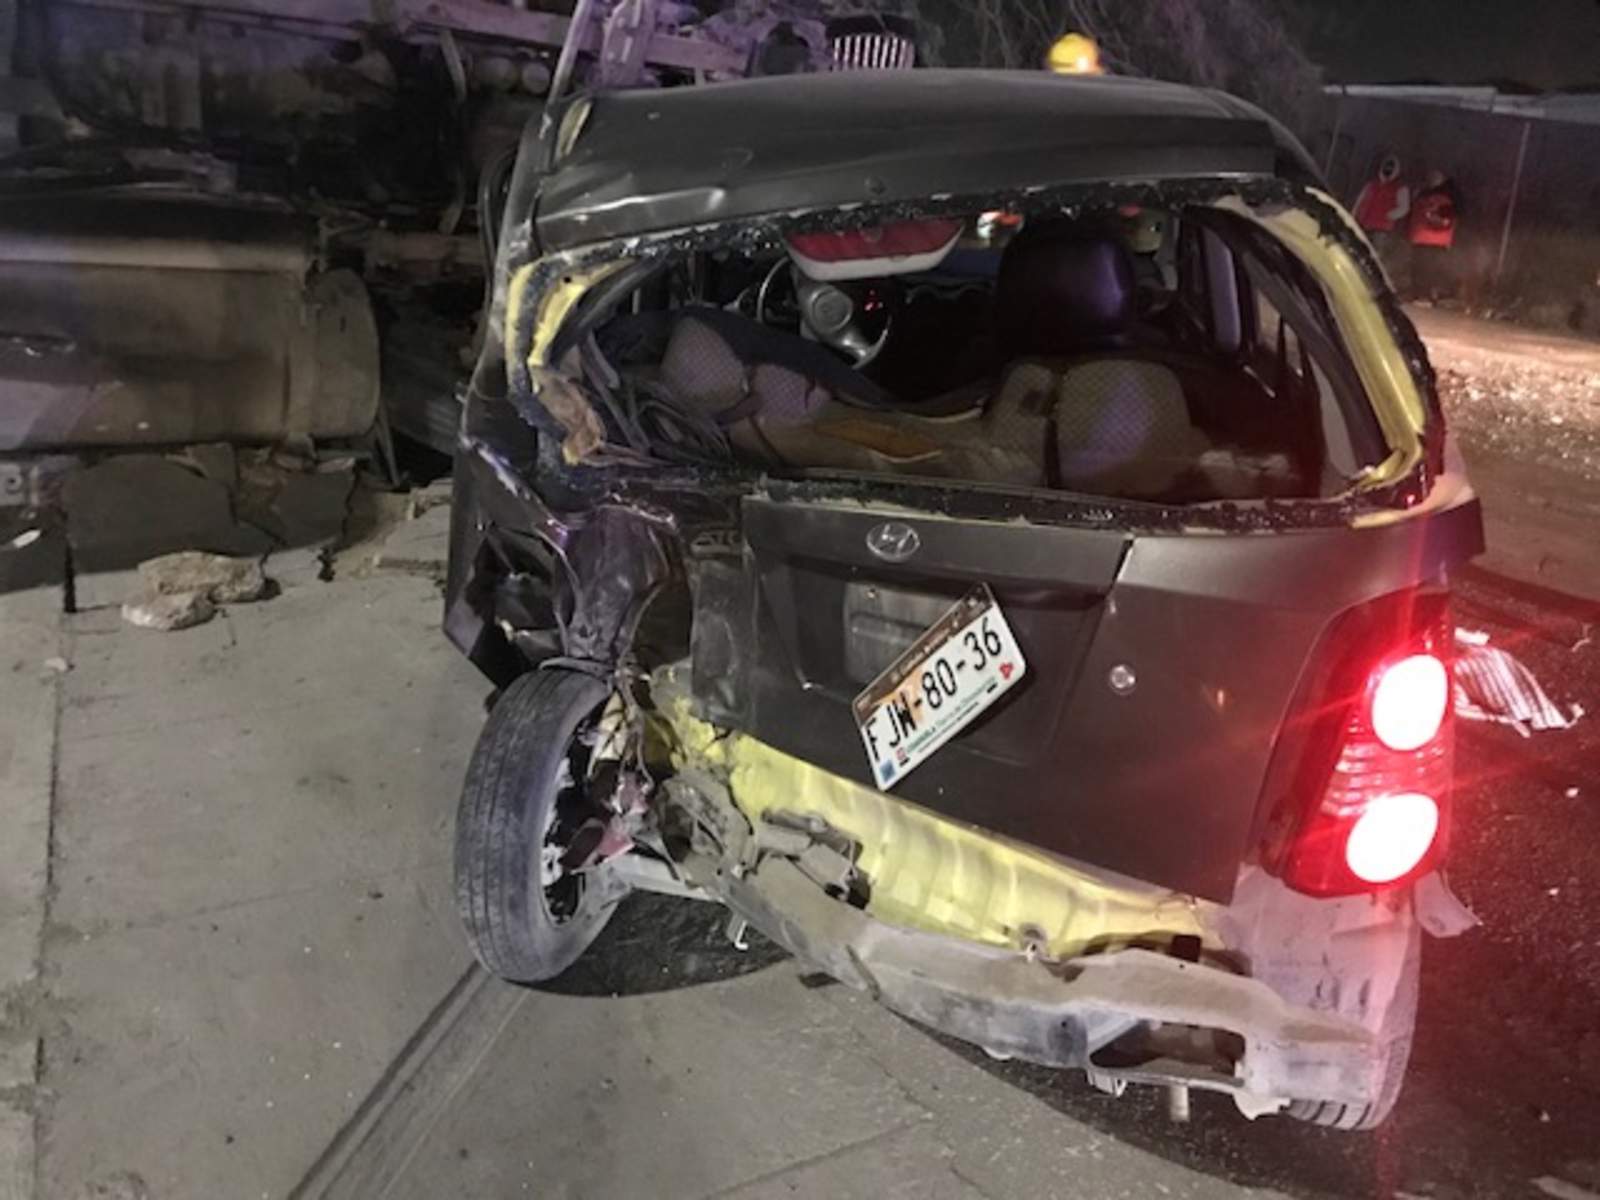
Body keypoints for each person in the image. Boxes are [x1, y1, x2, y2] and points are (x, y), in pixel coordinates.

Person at [1408, 168, 1462, 301]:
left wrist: (1432, 218)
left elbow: (1445, 221)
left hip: (1428, 239)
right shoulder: (1447, 198)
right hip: (1433, 240)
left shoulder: (1429, 198)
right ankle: (1423, 295)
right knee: (1427, 269)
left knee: (1425, 269)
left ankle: (1424, 295)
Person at [1353, 155, 1411, 269]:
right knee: (1358, 251)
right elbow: (1359, 201)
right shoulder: (1372, 184)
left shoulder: (1399, 188)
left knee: (1375, 256)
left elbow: (1404, 207)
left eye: (1391, 168)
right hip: (1364, 224)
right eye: (1386, 167)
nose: (1388, 170)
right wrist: (1354, 215)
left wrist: (1390, 215)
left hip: (1381, 228)